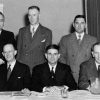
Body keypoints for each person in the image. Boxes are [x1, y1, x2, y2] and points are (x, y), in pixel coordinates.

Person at [59, 15, 97, 83]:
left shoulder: (93, 40)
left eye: (82, 23)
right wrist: (67, 71)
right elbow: (61, 57)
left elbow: (94, 59)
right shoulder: (65, 39)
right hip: (69, 75)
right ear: (73, 25)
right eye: (77, 23)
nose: (79, 26)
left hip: (87, 77)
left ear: (85, 25)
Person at [17, 6, 52, 73]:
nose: (31, 18)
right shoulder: (22, 31)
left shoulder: (47, 32)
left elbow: (47, 54)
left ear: (39, 15)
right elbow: (19, 51)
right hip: (23, 66)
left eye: (34, 15)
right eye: (29, 15)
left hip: (38, 67)